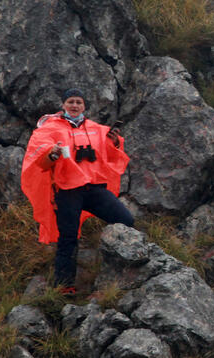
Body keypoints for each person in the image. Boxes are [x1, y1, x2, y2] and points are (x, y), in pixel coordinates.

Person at [21, 88, 134, 295]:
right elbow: (41, 162)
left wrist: (115, 141)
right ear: (63, 105)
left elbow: (111, 153)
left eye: (78, 102)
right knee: (68, 236)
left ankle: (123, 271)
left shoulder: (97, 129)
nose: (74, 105)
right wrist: (53, 154)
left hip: (93, 189)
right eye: (71, 102)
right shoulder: (50, 128)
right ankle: (64, 286)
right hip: (67, 191)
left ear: (84, 106)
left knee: (126, 219)